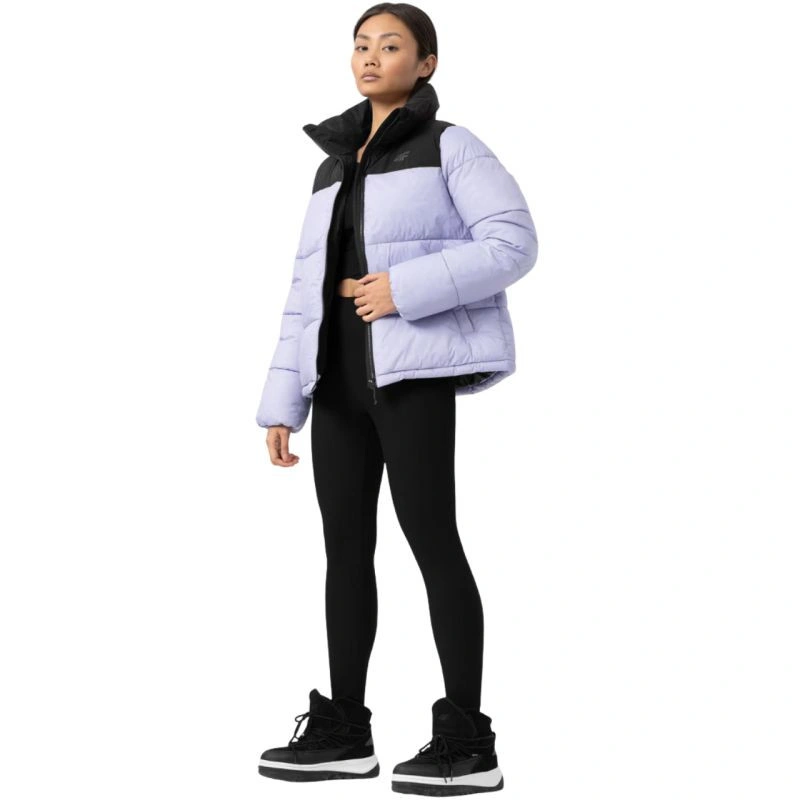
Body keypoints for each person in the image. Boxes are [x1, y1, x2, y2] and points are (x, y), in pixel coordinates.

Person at [255, 3, 537, 795]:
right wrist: (283, 400)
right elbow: (305, 295)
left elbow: (514, 243)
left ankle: (468, 742)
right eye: (360, 45)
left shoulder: (451, 146)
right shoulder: (330, 167)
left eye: (390, 45)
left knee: (432, 542)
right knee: (344, 551)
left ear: (426, 64)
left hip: (410, 380)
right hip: (336, 385)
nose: (370, 56)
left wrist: (402, 289)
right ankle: (345, 731)